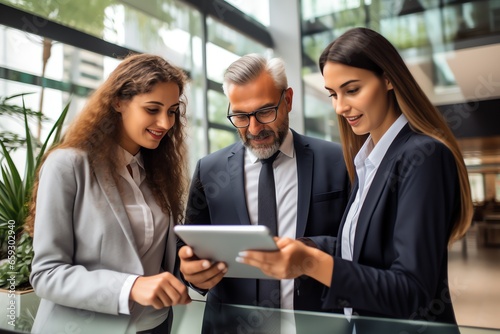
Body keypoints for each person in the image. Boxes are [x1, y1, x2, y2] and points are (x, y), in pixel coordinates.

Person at [237, 27, 473, 325]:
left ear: (388, 78)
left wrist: (312, 263)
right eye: (333, 94)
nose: (340, 107)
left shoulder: (423, 156)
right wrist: (308, 247)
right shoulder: (368, 160)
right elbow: (368, 249)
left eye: (352, 90)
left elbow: (412, 291)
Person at [26, 53, 192, 333]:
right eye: (152, 109)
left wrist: (191, 267)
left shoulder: (159, 173)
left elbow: (158, 260)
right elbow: (47, 275)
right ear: (118, 102)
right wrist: (131, 287)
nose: (165, 123)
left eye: (172, 110)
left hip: (156, 326)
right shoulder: (68, 165)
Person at [177, 53, 349, 315]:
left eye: (265, 111)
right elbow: (188, 248)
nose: (254, 128)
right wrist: (192, 274)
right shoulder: (209, 170)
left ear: (288, 100)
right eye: (241, 116)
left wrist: (311, 251)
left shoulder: (339, 160)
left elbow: (359, 243)